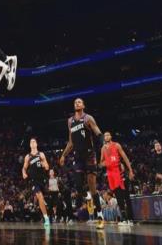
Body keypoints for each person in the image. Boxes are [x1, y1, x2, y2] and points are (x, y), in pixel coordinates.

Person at [60, 98, 105, 229]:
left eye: (79, 102)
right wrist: (63, 155)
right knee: (78, 185)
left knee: (92, 186)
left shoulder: (88, 118)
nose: (77, 103)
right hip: (78, 156)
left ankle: (99, 214)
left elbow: (98, 133)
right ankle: (86, 197)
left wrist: (103, 143)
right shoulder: (70, 121)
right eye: (75, 102)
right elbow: (71, 142)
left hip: (90, 155)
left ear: (83, 105)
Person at [100, 131, 135, 225]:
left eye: (108, 135)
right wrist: (104, 163)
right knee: (118, 197)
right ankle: (124, 219)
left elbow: (125, 157)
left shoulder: (116, 145)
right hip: (111, 175)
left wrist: (130, 170)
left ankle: (131, 219)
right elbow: (101, 163)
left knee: (126, 196)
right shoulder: (103, 149)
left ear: (111, 136)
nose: (106, 136)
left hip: (120, 173)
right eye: (105, 135)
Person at [22, 138, 50, 227]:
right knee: (40, 196)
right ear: (30, 145)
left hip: (42, 180)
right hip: (34, 181)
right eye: (31, 142)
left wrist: (44, 165)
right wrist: (23, 173)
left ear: (36, 144)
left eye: (34, 141)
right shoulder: (28, 156)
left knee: (41, 199)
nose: (33, 143)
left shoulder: (41, 154)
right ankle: (46, 218)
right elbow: (24, 168)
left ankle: (45, 214)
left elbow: (47, 167)